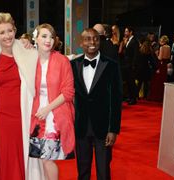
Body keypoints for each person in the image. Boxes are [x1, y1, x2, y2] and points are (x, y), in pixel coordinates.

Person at [0, 12, 45, 180]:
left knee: (24, 155)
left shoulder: (28, 53)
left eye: (10, 31)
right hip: (2, 117)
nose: (7, 36)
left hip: (23, 115)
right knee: (6, 156)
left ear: (15, 30)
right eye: (2, 32)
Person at [70, 28, 123, 180]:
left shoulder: (111, 65)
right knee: (82, 170)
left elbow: (116, 99)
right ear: (81, 43)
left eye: (95, 39)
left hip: (104, 128)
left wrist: (113, 129)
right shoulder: (73, 65)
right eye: (87, 39)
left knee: (103, 170)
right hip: (81, 126)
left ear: (100, 41)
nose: (92, 42)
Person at [29, 23, 75, 180]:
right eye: (44, 36)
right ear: (36, 38)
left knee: (47, 160)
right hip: (34, 118)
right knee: (41, 161)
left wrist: (47, 109)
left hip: (54, 117)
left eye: (51, 36)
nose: (48, 40)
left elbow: (68, 92)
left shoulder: (62, 61)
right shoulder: (30, 60)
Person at [148, 35, 171, 102]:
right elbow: (169, 57)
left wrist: (156, 54)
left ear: (163, 41)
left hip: (160, 66)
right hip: (165, 66)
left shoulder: (162, 47)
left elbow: (159, 58)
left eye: (160, 40)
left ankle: (156, 97)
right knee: (163, 81)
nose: (159, 42)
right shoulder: (169, 47)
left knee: (157, 81)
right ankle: (162, 97)